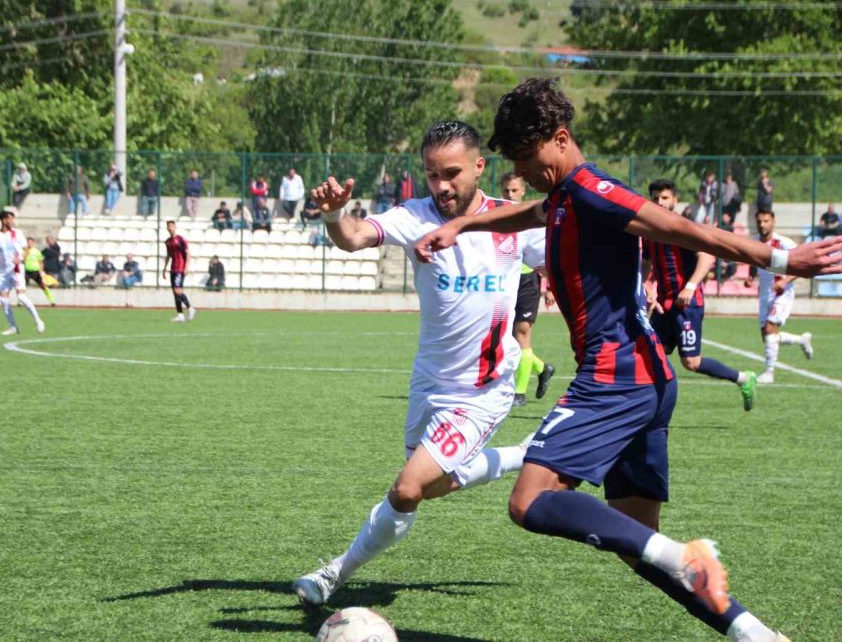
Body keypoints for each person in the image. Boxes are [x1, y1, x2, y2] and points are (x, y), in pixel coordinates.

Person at [413, 79, 838, 642]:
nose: (522, 169)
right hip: (648, 381)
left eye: (527, 156)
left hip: (616, 378)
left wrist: (779, 256)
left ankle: (683, 553)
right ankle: (753, 632)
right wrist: (466, 223)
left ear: (560, 139)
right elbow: (531, 212)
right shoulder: (566, 195)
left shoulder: (592, 191)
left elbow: (685, 230)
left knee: (531, 501)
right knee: (639, 550)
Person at [292, 120, 540, 608]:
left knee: (407, 489)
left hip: (483, 389)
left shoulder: (513, 223)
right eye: (431, 175)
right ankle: (518, 456)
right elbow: (355, 236)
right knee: (428, 485)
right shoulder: (416, 215)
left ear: (479, 166)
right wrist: (335, 214)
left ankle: (334, 573)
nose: (442, 186)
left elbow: (569, 261)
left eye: (451, 173)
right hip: (429, 383)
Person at [643, 179, 757, 410]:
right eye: (655, 198)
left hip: (687, 305)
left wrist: (691, 286)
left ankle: (744, 379)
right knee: (650, 351)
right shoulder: (649, 230)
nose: (659, 202)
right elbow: (646, 262)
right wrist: (647, 284)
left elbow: (706, 257)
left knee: (691, 362)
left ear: (674, 200)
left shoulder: (683, 227)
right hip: (664, 305)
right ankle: (650, 405)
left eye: (664, 198)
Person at [500, 173, 556, 408]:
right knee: (509, 338)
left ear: (523, 191)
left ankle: (519, 393)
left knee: (522, 334)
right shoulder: (501, 216)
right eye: (506, 191)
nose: (510, 195)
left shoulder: (532, 218)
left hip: (528, 281)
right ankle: (542, 368)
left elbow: (545, 255)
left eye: (514, 191)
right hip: (507, 282)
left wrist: (551, 286)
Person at [744, 210, 814, 384]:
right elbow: (753, 262)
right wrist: (751, 276)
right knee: (769, 336)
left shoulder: (784, 243)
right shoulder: (754, 242)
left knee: (769, 329)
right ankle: (801, 340)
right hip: (764, 293)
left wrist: (784, 281)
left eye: (766, 221)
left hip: (782, 293)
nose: (762, 225)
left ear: (773, 221)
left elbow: (802, 266)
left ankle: (769, 373)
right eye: (759, 221)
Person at [0, 210, 45, 335]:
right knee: (3, 300)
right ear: (4, 220)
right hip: (4, 272)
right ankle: (13, 327)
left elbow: (26, 250)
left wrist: (21, 259)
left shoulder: (17, 233)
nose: (13, 222)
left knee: (21, 297)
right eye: (10, 219)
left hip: (16, 269)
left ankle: (38, 321)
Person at [163, 220, 195, 322]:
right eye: (168, 226)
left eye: (172, 226)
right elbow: (168, 255)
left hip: (180, 268)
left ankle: (190, 308)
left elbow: (188, 253)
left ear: (175, 227)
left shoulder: (180, 239)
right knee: (175, 292)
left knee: (177, 289)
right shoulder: (168, 241)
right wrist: (164, 268)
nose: (170, 228)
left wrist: (186, 267)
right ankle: (180, 315)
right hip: (173, 268)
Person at [23, 236, 56, 305]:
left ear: (33, 243)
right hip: (26, 271)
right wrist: (26, 252)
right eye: (28, 242)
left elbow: (41, 262)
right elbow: (22, 259)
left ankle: (52, 301)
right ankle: (20, 302)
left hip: (35, 271)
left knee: (43, 285)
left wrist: (41, 271)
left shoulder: (37, 252)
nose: (29, 243)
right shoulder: (23, 251)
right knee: (22, 287)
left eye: (31, 242)